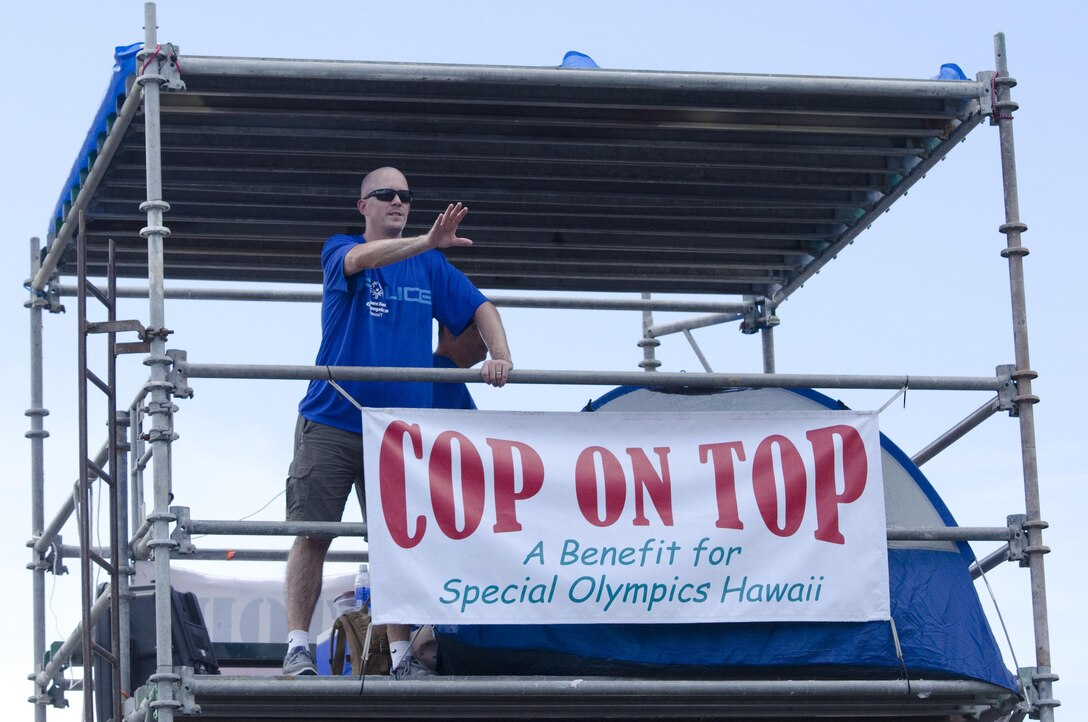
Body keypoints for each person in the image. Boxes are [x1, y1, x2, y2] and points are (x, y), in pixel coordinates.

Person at [282, 167, 513, 677]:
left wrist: (500, 355)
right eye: (385, 195)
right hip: (333, 417)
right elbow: (362, 258)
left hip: (394, 432)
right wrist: (426, 240)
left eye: (405, 196)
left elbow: (484, 308)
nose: (398, 202)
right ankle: (298, 646)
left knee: (396, 542)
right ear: (362, 205)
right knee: (313, 533)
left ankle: (403, 656)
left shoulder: (429, 263)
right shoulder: (339, 247)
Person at [432, 322, 489, 410]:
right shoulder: (444, 378)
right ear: (452, 330)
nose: (486, 335)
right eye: (477, 327)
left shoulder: (450, 377)